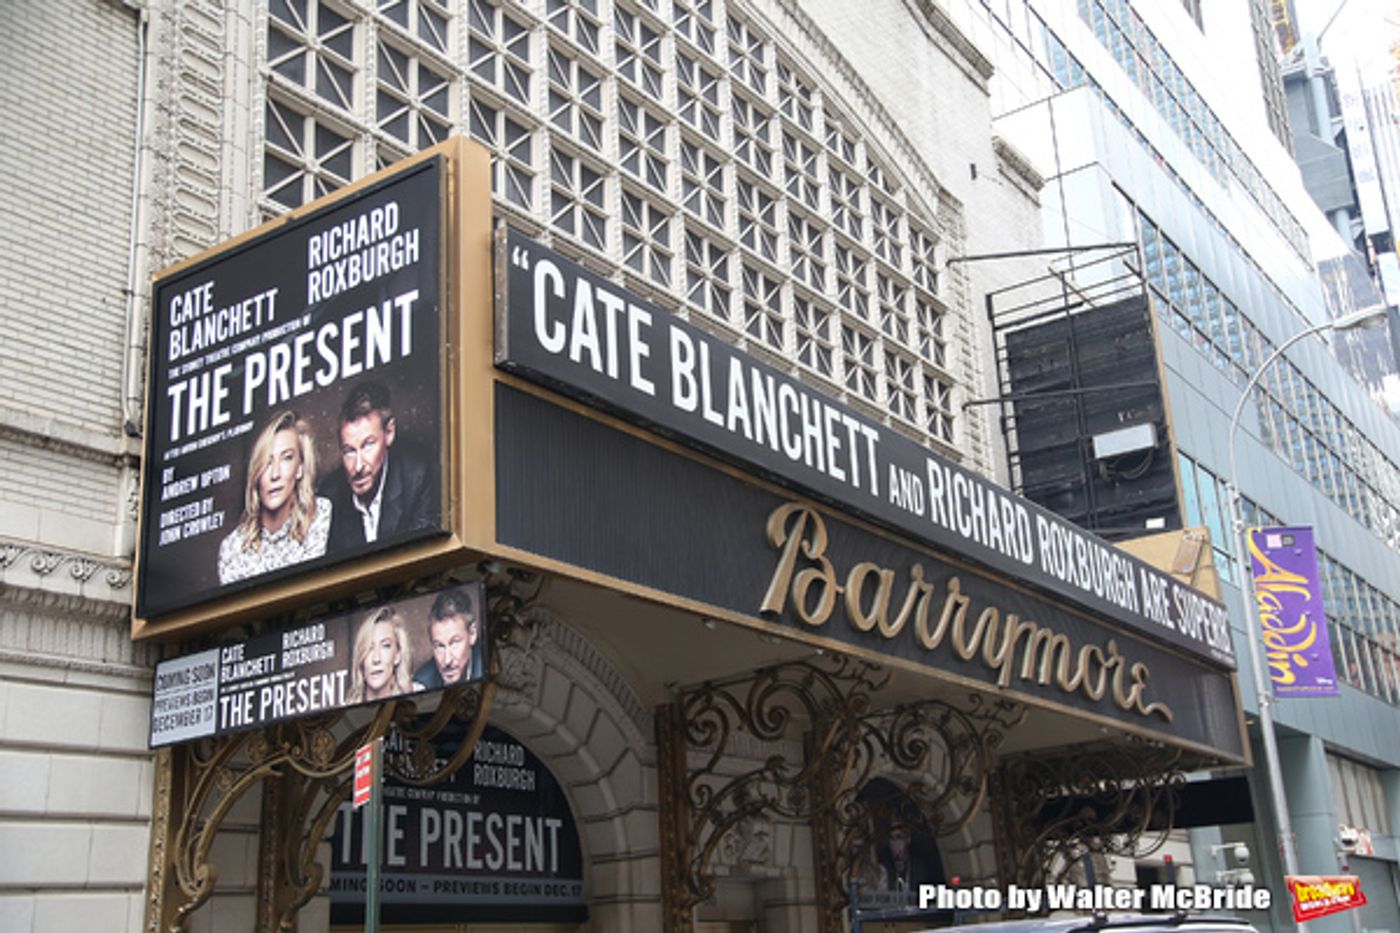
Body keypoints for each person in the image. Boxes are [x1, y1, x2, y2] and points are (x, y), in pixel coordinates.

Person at [320, 380, 437, 552]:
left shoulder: (418, 477)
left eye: (368, 445)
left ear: (389, 433)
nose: (358, 466)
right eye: (349, 451)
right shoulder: (329, 498)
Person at [217, 411, 331, 584]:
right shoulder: (233, 548)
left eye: (286, 458)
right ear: (256, 471)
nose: (275, 474)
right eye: (267, 462)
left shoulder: (323, 514)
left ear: (299, 468)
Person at [413, 587, 484, 688]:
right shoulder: (421, 683)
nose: (447, 661)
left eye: (454, 642)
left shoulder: (488, 665)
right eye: (439, 646)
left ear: (472, 634)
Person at [348, 606, 417, 703]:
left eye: (385, 646)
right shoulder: (345, 713)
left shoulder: (417, 695)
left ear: (397, 655)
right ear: (361, 659)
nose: (376, 659)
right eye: (369, 648)